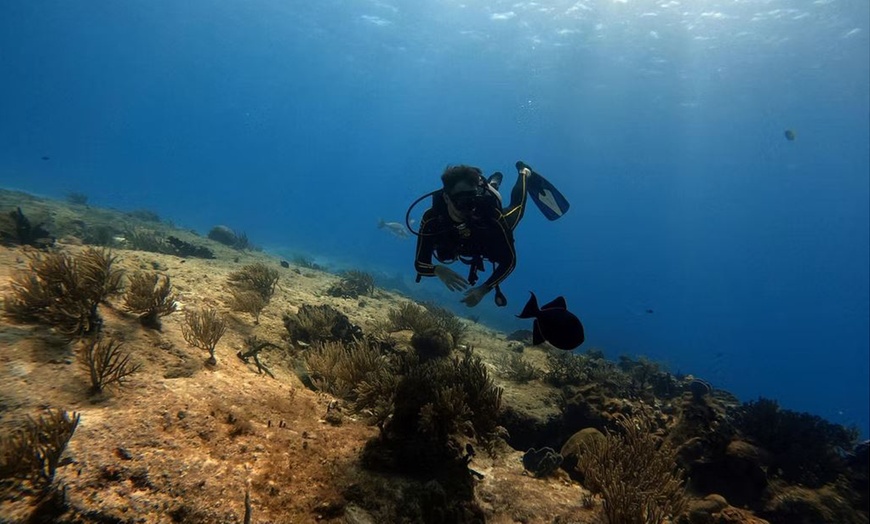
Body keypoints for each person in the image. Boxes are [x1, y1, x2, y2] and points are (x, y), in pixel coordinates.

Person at [412, 161, 568, 307]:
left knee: (517, 209)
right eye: (461, 202)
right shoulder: (432, 219)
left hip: (485, 231)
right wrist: (438, 270)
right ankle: (493, 183)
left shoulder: (491, 216)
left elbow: (510, 261)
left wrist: (484, 289)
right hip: (458, 243)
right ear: (446, 197)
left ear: (477, 197)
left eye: (472, 201)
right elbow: (420, 264)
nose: (468, 209)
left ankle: (523, 172)